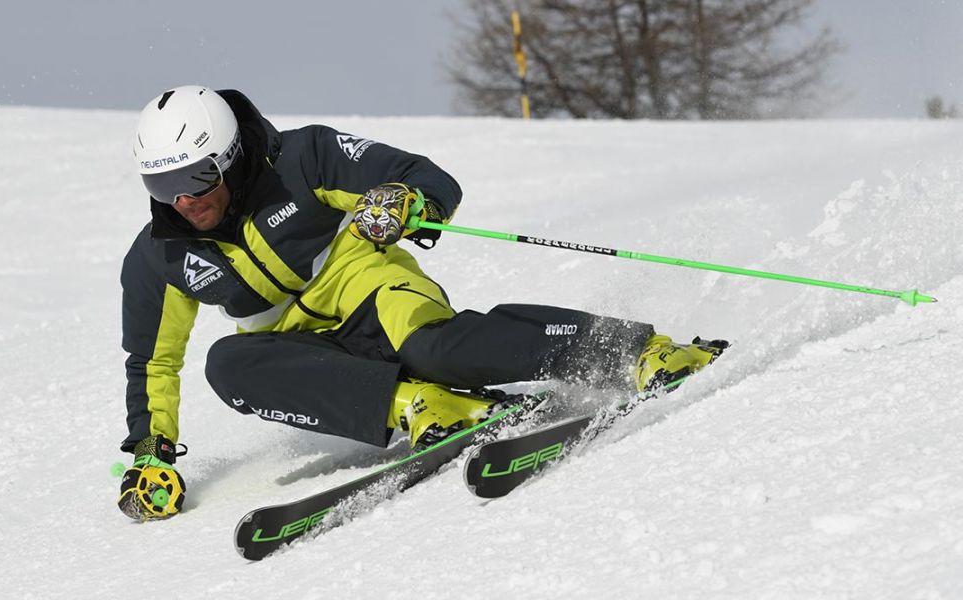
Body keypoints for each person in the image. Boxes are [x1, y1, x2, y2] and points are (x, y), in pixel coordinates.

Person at [116, 85, 723, 521]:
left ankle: (639, 352)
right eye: (160, 186)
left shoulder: (303, 159)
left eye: (195, 179)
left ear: (230, 158)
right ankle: (424, 407)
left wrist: (401, 200)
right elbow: (152, 364)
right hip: (308, 353)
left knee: (436, 347)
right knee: (229, 363)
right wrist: (152, 453)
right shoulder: (159, 254)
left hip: (377, 296)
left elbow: (426, 177)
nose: (182, 202)